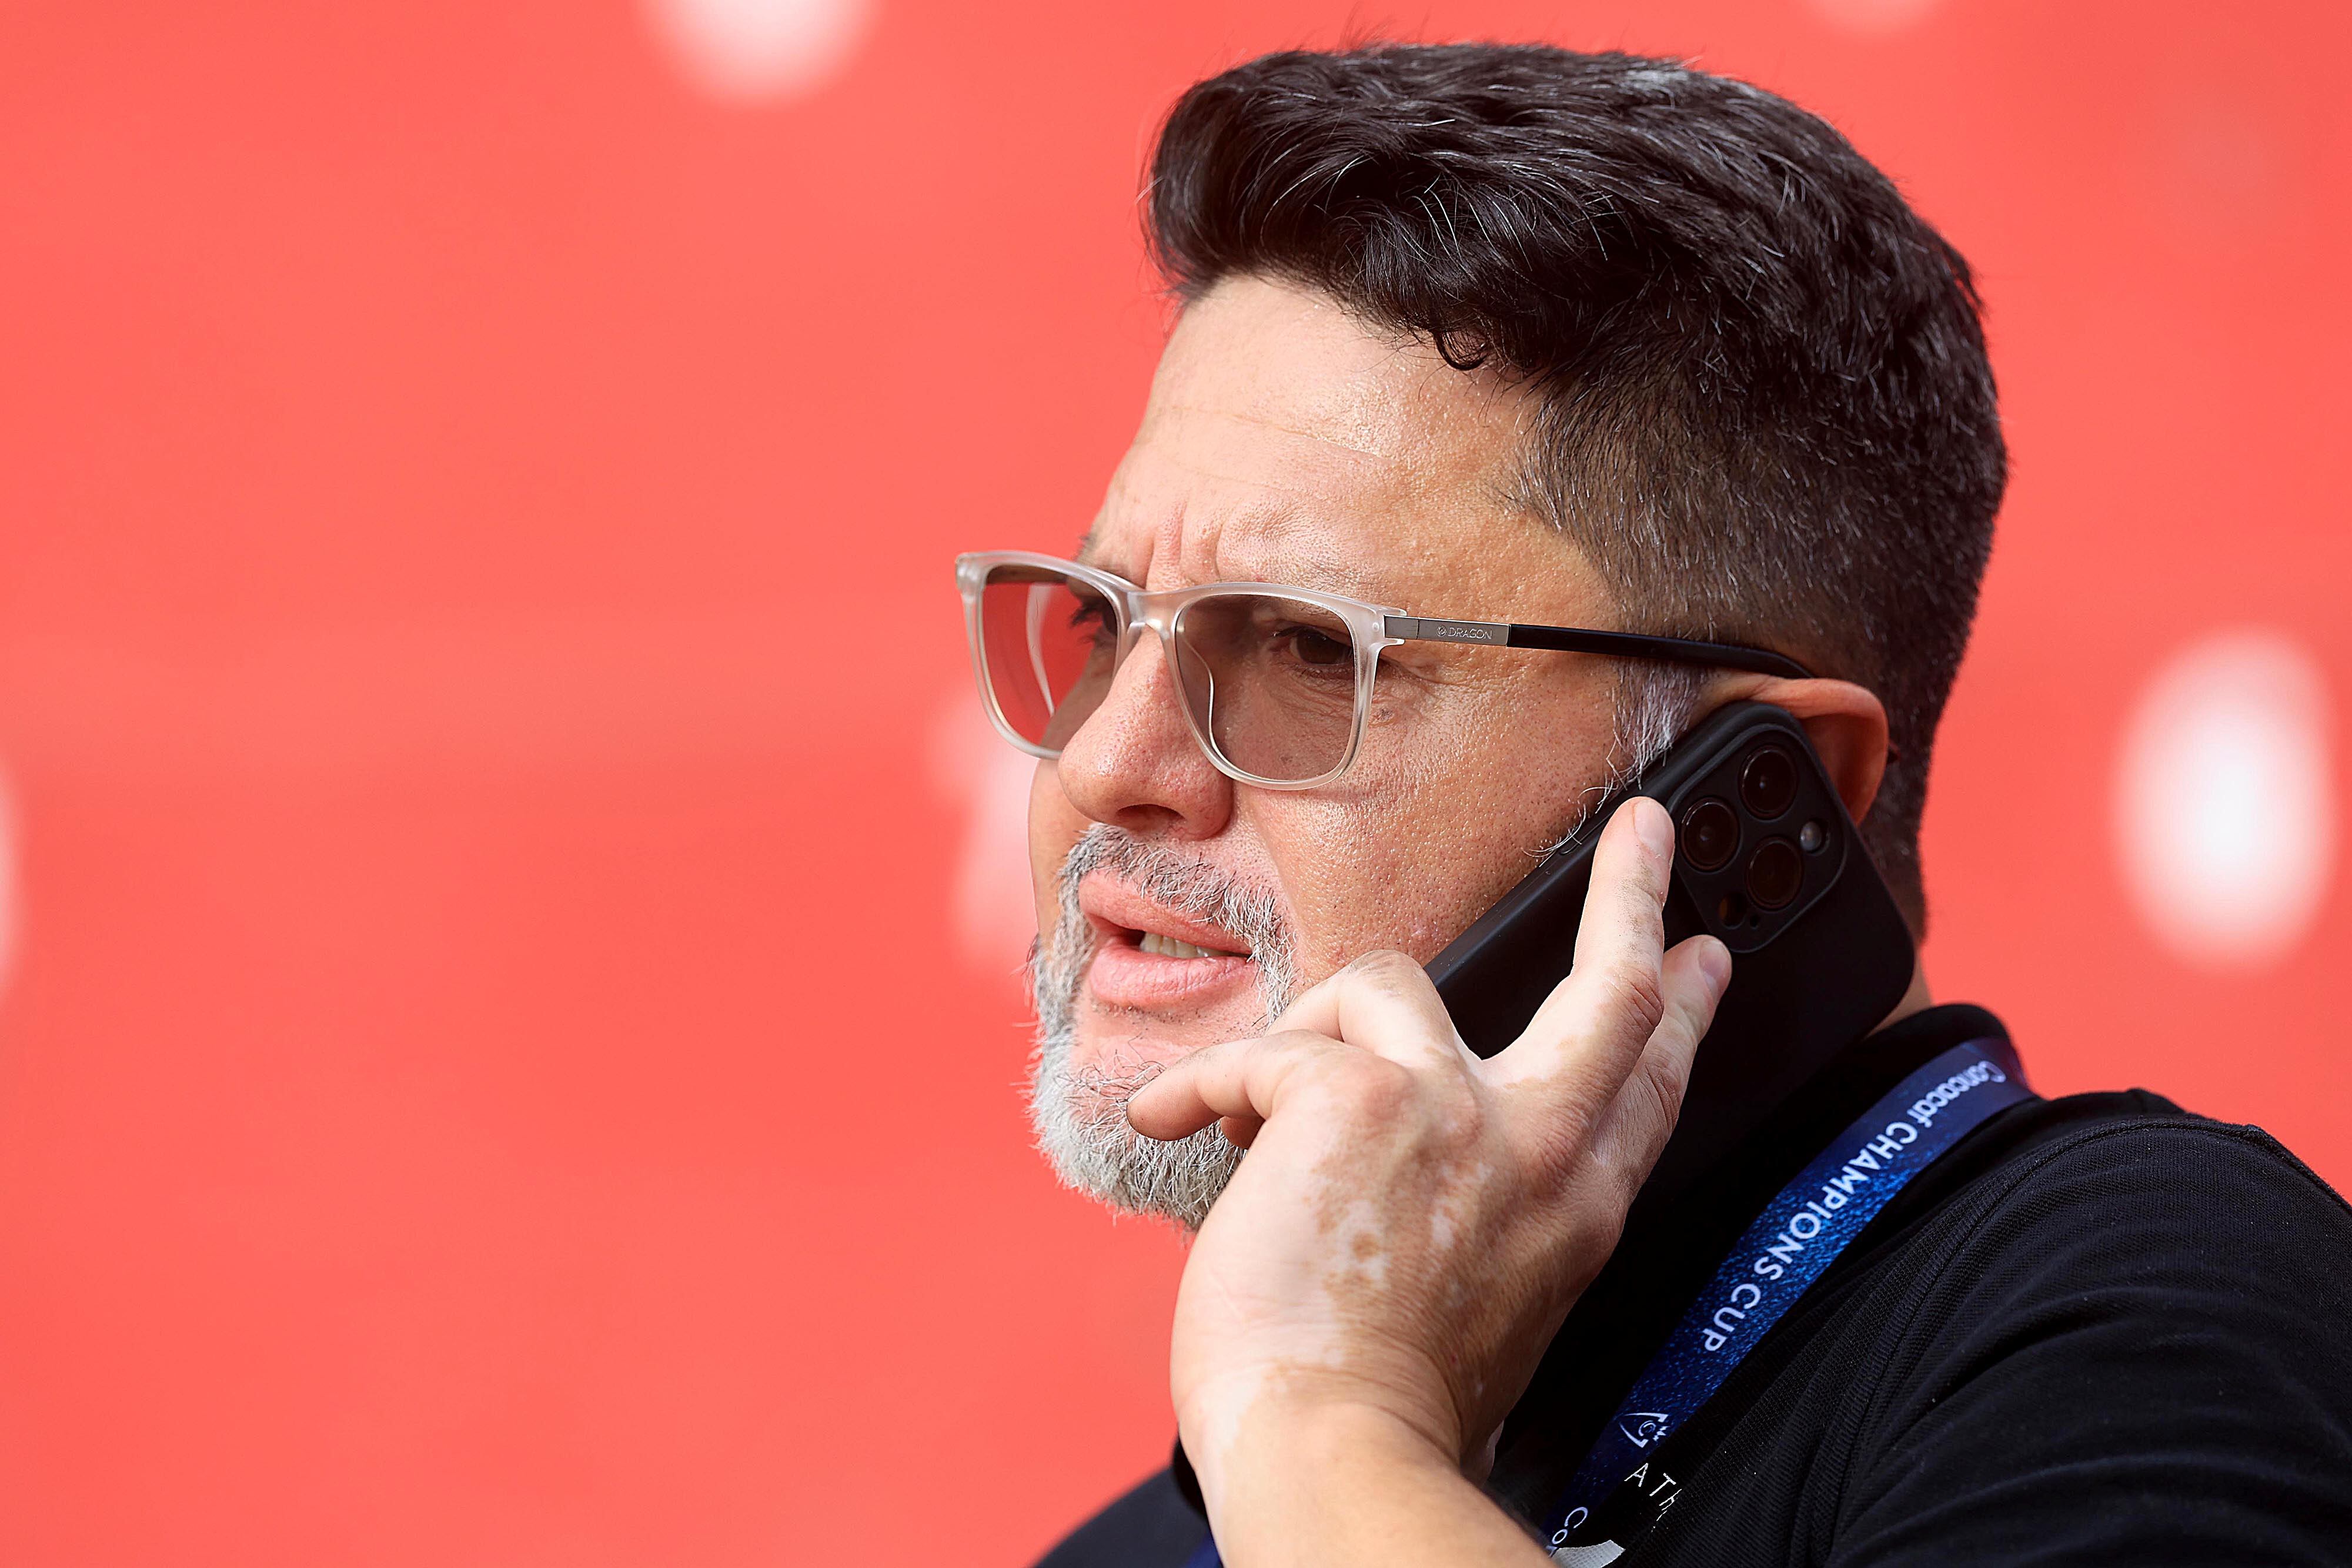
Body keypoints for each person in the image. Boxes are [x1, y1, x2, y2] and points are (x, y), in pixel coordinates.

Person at [957, 45, 2352, 1567]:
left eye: (1304, 651)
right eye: (1103, 626)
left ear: (1747, 804)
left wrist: (1316, 1417)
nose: (1105, 765)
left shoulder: (2149, 1314)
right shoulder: (1158, 1540)